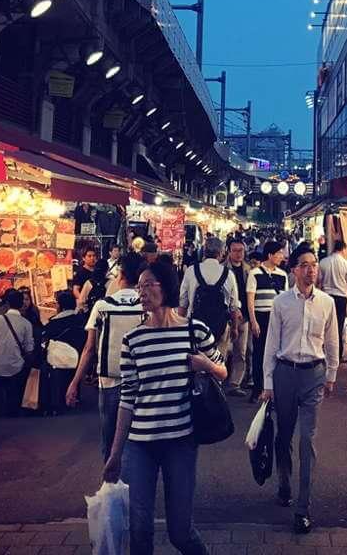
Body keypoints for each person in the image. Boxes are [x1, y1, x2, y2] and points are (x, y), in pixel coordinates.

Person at [102, 259, 225, 555]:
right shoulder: (133, 339)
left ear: (166, 287)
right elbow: (127, 398)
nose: (142, 292)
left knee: (180, 532)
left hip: (181, 442)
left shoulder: (194, 331)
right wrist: (115, 453)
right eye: (139, 286)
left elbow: (222, 371)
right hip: (139, 446)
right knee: (140, 529)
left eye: (148, 285)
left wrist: (205, 364)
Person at [261, 243, 339, 535]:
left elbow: (332, 340)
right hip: (285, 374)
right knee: (284, 437)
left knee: (308, 440)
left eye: (314, 265)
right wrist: (268, 383)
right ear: (293, 270)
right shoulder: (281, 302)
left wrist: (332, 374)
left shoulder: (327, 303)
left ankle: (303, 508)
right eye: (304, 265)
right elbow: (271, 344)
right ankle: (284, 483)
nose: (311, 270)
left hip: (314, 376)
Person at [68, 251, 146, 458]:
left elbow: (89, 349)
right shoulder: (147, 308)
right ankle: (135, 482)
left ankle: (111, 483)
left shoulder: (102, 306)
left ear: (120, 274)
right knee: (137, 436)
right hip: (142, 381)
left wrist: (75, 382)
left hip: (110, 380)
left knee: (110, 438)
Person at [178, 237, 239, 357]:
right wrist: (235, 328)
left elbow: (183, 303)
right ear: (221, 253)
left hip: (195, 326)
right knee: (218, 363)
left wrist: (179, 326)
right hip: (221, 326)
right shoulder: (229, 274)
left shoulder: (191, 271)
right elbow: (234, 306)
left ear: (204, 251)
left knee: (196, 361)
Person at [247, 240, 289, 402]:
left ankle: (272, 389)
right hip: (260, 317)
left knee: (276, 354)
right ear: (270, 255)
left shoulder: (282, 274)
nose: (282, 256)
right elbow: (250, 299)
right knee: (259, 355)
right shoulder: (254, 273)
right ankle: (257, 390)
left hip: (276, 318)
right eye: (279, 253)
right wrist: (253, 321)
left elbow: (284, 300)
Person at [0, 287, 35, 416]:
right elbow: (29, 349)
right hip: (16, 365)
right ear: (21, 304)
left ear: (8, 303)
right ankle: (14, 409)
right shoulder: (26, 324)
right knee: (15, 387)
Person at [317, 239, 347, 361]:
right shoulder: (346, 264)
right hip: (340, 299)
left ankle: (323, 353)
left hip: (325, 297)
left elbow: (319, 283)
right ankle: (338, 356)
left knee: (324, 326)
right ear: (343, 249)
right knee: (338, 327)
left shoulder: (323, 262)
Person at [224, 238, 251, 396]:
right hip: (227, 317)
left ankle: (235, 383)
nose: (239, 254)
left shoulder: (248, 269)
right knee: (224, 350)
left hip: (244, 317)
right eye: (235, 250)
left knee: (241, 351)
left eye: (241, 250)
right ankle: (220, 379)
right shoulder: (223, 269)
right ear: (228, 251)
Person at [73, 246, 107, 313]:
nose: (92, 258)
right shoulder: (80, 273)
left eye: (94, 256)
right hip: (85, 307)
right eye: (89, 256)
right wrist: (83, 299)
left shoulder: (99, 271)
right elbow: (75, 289)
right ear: (83, 258)